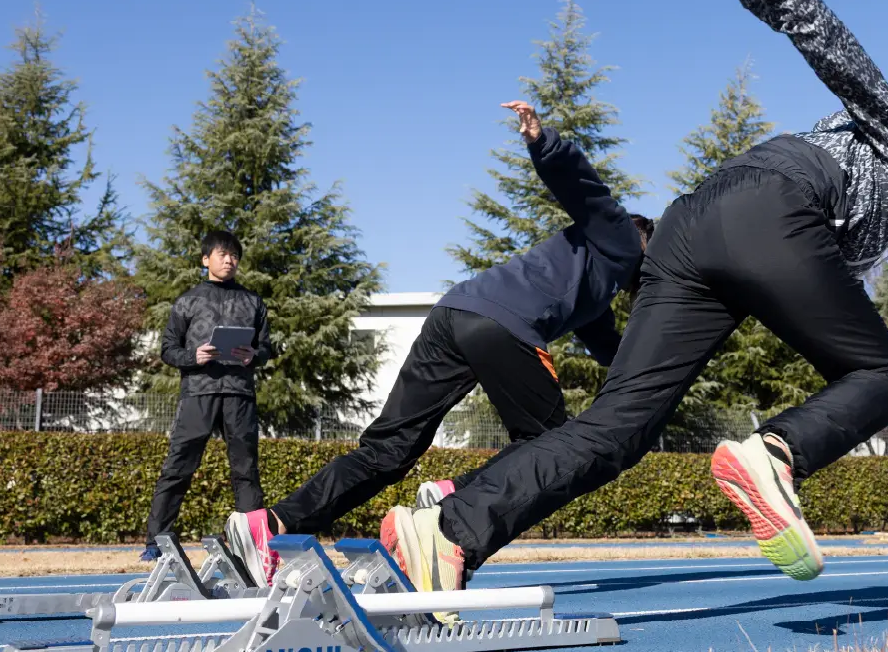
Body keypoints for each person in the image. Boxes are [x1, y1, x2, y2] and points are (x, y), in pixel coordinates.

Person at [381, 0, 888, 596]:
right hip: (771, 207)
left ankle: (448, 531)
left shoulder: (862, 238)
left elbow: (840, 335)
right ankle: (772, 456)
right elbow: (838, 53)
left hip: (693, 231)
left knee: (620, 431)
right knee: (878, 376)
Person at [227, 101, 651, 581]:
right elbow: (585, 190)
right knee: (552, 442)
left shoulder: (593, 278)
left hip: (453, 314)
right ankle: (454, 498)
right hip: (503, 325)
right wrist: (542, 141)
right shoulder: (620, 236)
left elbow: (607, 345)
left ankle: (272, 524)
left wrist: (645, 375)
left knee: (389, 448)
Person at [143, 230, 275, 584]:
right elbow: (168, 349)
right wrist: (193, 355)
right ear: (206, 259)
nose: (229, 260)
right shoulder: (187, 301)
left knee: (246, 470)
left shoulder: (253, 301)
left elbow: (266, 346)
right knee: (178, 466)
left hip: (239, 394)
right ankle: (155, 541)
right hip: (198, 392)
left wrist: (254, 355)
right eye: (222, 254)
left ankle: (257, 548)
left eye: (234, 255)